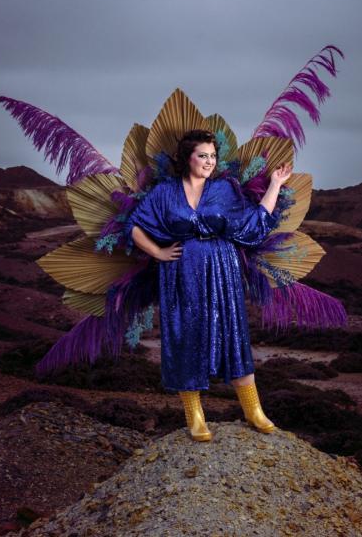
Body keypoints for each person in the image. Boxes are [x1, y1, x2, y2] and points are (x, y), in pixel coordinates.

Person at [124, 129, 292, 441]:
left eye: (213, 156)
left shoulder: (224, 190)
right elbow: (134, 225)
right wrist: (159, 252)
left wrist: (275, 185)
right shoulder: (163, 192)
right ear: (187, 158)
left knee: (232, 332)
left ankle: (253, 409)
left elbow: (253, 222)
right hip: (181, 273)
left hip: (222, 269)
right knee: (184, 335)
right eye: (203, 155)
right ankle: (195, 416)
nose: (209, 161)